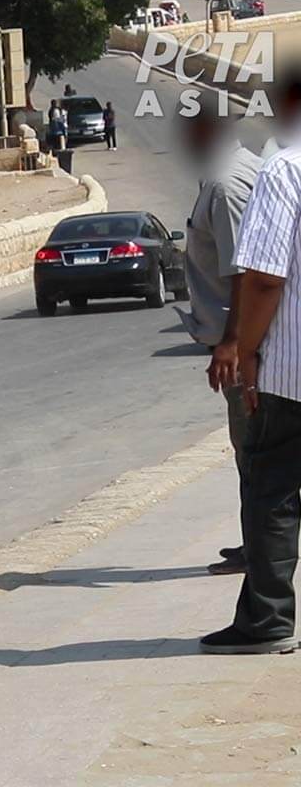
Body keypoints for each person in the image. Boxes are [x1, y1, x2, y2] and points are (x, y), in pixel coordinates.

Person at [200, 72, 301, 656]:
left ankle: (267, 620)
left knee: (271, 490)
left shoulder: (284, 170)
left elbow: (263, 278)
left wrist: (248, 352)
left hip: (292, 374)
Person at [174, 93, 263, 577]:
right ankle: (258, 541)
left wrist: (231, 344)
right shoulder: (228, 172)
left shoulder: (228, 186)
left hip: (247, 344)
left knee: (253, 449)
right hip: (249, 338)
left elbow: (243, 271)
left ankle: (264, 551)